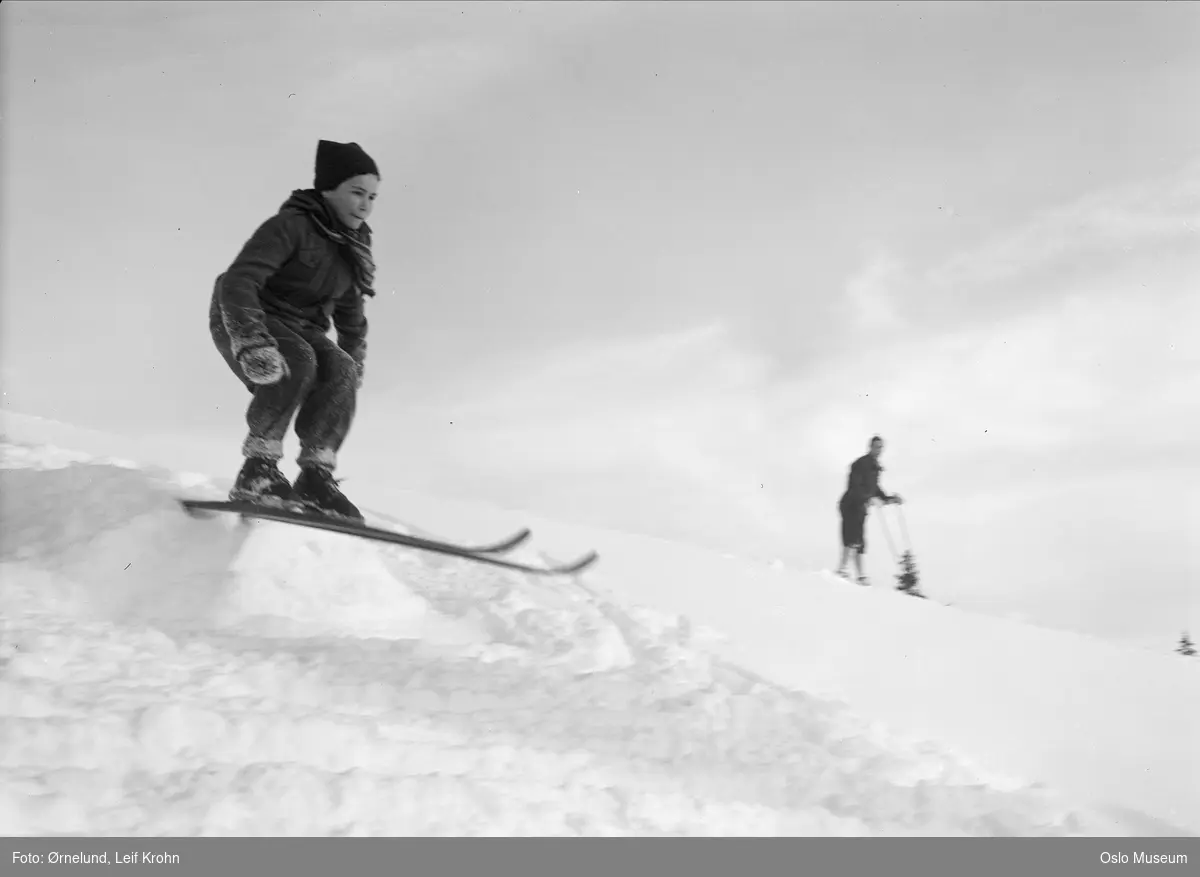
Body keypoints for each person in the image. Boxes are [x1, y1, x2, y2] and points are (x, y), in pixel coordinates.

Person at [208, 139, 381, 521]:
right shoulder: (291, 226)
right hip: (247, 314)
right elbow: (239, 280)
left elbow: (353, 323)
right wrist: (250, 340)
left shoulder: (353, 252)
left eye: (372, 196)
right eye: (356, 192)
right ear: (328, 189)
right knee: (298, 361)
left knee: (343, 369)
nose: (365, 204)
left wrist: (350, 375)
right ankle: (258, 470)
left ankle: (315, 477)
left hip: (302, 329)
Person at [836, 435, 902, 584]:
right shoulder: (861, 464)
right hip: (850, 504)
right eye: (876, 447)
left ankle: (860, 576)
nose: (878, 450)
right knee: (851, 537)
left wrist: (890, 499)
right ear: (870, 447)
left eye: (881, 447)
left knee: (859, 541)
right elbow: (854, 486)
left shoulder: (875, 469)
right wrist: (867, 498)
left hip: (861, 508)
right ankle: (842, 570)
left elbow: (876, 490)